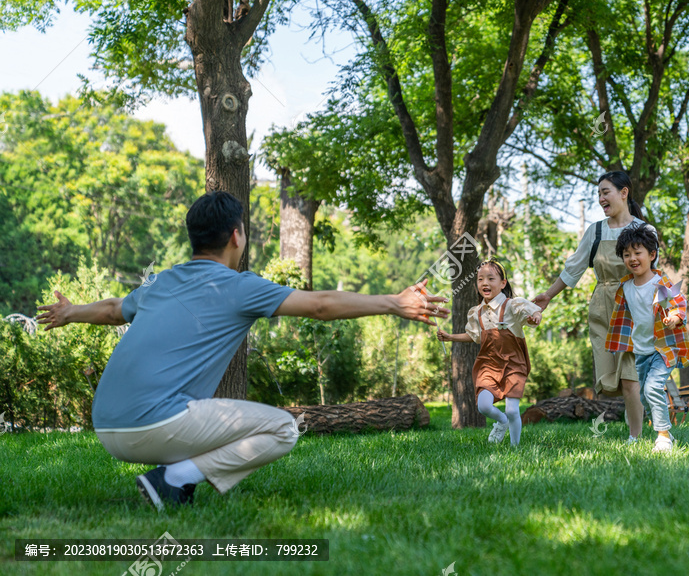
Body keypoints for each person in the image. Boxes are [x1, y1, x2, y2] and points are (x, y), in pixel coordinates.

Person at [36, 191, 449, 511]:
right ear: (237, 235)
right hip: (152, 428)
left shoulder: (159, 282)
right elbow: (321, 305)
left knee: (219, 417)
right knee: (283, 429)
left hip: (107, 425)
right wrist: (394, 302)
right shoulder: (239, 285)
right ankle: (172, 479)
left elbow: (111, 310)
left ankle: (171, 478)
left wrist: (70, 312)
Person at [531, 171, 657, 442]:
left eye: (606, 192)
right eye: (598, 193)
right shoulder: (596, 231)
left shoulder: (645, 231)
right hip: (601, 308)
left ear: (624, 193)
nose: (601, 198)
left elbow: (651, 274)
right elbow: (573, 269)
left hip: (631, 306)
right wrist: (548, 296)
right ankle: (643, 412)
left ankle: (635, 437)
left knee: (629, 378)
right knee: (610, 382)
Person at [606, 224, 689, 452]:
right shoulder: (625, 286)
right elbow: (622, 318)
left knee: (653, 388)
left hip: (663, 348)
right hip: (641, 351)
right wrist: (617, 342)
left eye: (638, 253)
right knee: (645, 396)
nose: (632, 259)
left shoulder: (660, 283)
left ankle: (663, 436)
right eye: (627, 255)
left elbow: (678, 303)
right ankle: (665, 433)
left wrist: (675, 317)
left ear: (652, 255)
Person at [437, 259, 542, 446]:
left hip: (513, 364)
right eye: (480, 279)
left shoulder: (512, 305)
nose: (484, 283)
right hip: (488, 364)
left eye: (490, 278)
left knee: (512, 411)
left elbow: (535, 311)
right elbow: (475, 336)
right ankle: (501, 422)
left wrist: (535, 318)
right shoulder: (477, 313)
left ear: (503, 283)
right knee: (483, 406)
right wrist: (449, 337)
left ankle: (515, 449)